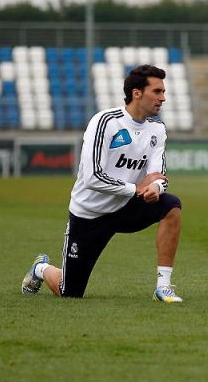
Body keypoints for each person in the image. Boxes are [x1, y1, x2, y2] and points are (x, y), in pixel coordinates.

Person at [21, 64, 184, 303]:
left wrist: (155, 188)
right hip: (90, 214)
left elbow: (158, 175)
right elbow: (93, 177)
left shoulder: (157, 129)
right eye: (157, 91)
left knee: (171, 206)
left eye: (163, 92)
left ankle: (163, 286)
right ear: (137, 93)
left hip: (126, 206)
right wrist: (137, 188)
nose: (163, 98)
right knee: (70, 292)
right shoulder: (105, 122)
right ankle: (41, 268)